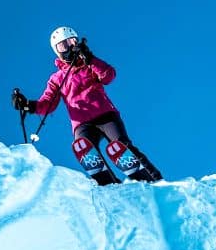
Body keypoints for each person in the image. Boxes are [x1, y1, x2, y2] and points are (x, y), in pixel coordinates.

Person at [12, 26, 162, 186]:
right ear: (57, 51)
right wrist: (27, 105)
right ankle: (110, 182)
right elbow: (48, 103)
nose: (69, 47)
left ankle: (153, 179)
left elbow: (108, 76)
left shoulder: (88, 64)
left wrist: (89, 58)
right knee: (84, 147)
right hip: (81, 124)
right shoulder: (57, 78)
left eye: (71, 42)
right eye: (63, 45)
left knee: (122, 145)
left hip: (105, 115)